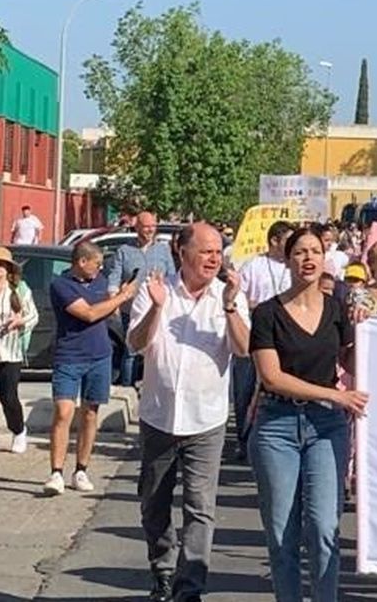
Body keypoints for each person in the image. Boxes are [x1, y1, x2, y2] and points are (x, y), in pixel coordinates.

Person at [127, 224, 249, 602]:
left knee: (200, 508)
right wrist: (158, 308)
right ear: (183, 252)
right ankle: (162, 571)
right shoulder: (156, 287)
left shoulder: (227, 295)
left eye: (219, 251)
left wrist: (230, 304)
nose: (215, 258)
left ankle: (190, 585)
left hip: (206, 419)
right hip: (159, 416)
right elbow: (135, 344)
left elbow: (244, 350)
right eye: (206, 251)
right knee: (154, 504)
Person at [248, 226, 367, 602]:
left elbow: (348, 359)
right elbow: (272, 376)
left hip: (326, 426)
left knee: (323, 527)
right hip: (277, 425)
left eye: (315, 251)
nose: (308, 259)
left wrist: (364, 332)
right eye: (300, 252)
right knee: (282, 532)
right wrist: (335, 393)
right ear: (287, 258)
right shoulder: (267, 313)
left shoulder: (336, 311)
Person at [45, 242, 138, 495]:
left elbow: (107, 309)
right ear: (82, 262)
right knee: (63, 411)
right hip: (69, 356)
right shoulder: (61, 285)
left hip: (100, 355)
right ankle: (56, 472)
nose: (99, 269)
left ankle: (81, 469)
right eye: (96, 264)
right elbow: (88, 313)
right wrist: (121, 297)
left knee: (90, 412)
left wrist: (116, 299)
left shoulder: (99, 280)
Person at [231, 221, 293, 460]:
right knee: (245, 390)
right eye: (288, 241)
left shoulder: (292, 266)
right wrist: (261, 308)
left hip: (284, 339)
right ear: (275, 241)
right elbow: (238, 298)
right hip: (253, 337)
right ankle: (243, 439)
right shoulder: (254, 266)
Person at [104, 211, 177, 387]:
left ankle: (152, 386)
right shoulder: (124, 251)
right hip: (131, 309)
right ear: (137, 228)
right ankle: (127, 390)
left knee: (157, 349)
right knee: (131, 351)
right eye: (146, 227)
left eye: (153, 226)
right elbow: (114, 277)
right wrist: (114, 300)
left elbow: (173, 276)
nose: (150, 230)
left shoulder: (163, 249)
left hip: (157, 309)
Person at [0, 246, 37, 459]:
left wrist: (19, 321)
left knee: (8, 398)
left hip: (9, 352)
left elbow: (33, 316)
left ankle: (18, 430)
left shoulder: (19, 289)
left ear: (8, 269)